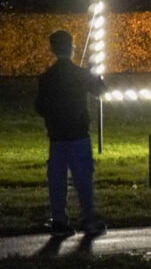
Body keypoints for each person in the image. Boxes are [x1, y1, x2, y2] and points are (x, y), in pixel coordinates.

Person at [34, 30, 107, 237]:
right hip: (78, 135)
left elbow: (39, 107)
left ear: (52, 49)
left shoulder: (46, 77)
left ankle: (59, 221)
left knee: (57, 179)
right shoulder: (80, 74)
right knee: (83, 178)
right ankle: (89, 219)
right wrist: (94, 73)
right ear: (72, 48)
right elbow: (102, 90)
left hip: (56, 137)